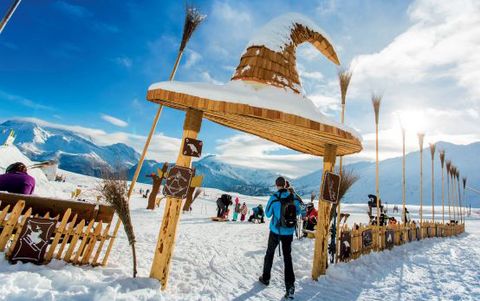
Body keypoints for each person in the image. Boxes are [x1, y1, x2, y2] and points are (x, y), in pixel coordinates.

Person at [259, 176, 305, 299]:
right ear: (285, 184)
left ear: (276, 185)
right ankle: (290, 288)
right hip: (288, 232)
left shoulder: (274, 198)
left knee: (269, 253)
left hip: (276, 231)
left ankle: (266, 278)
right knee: (287, 258)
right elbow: (301, 211)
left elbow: (268, 214)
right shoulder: (293, 197)